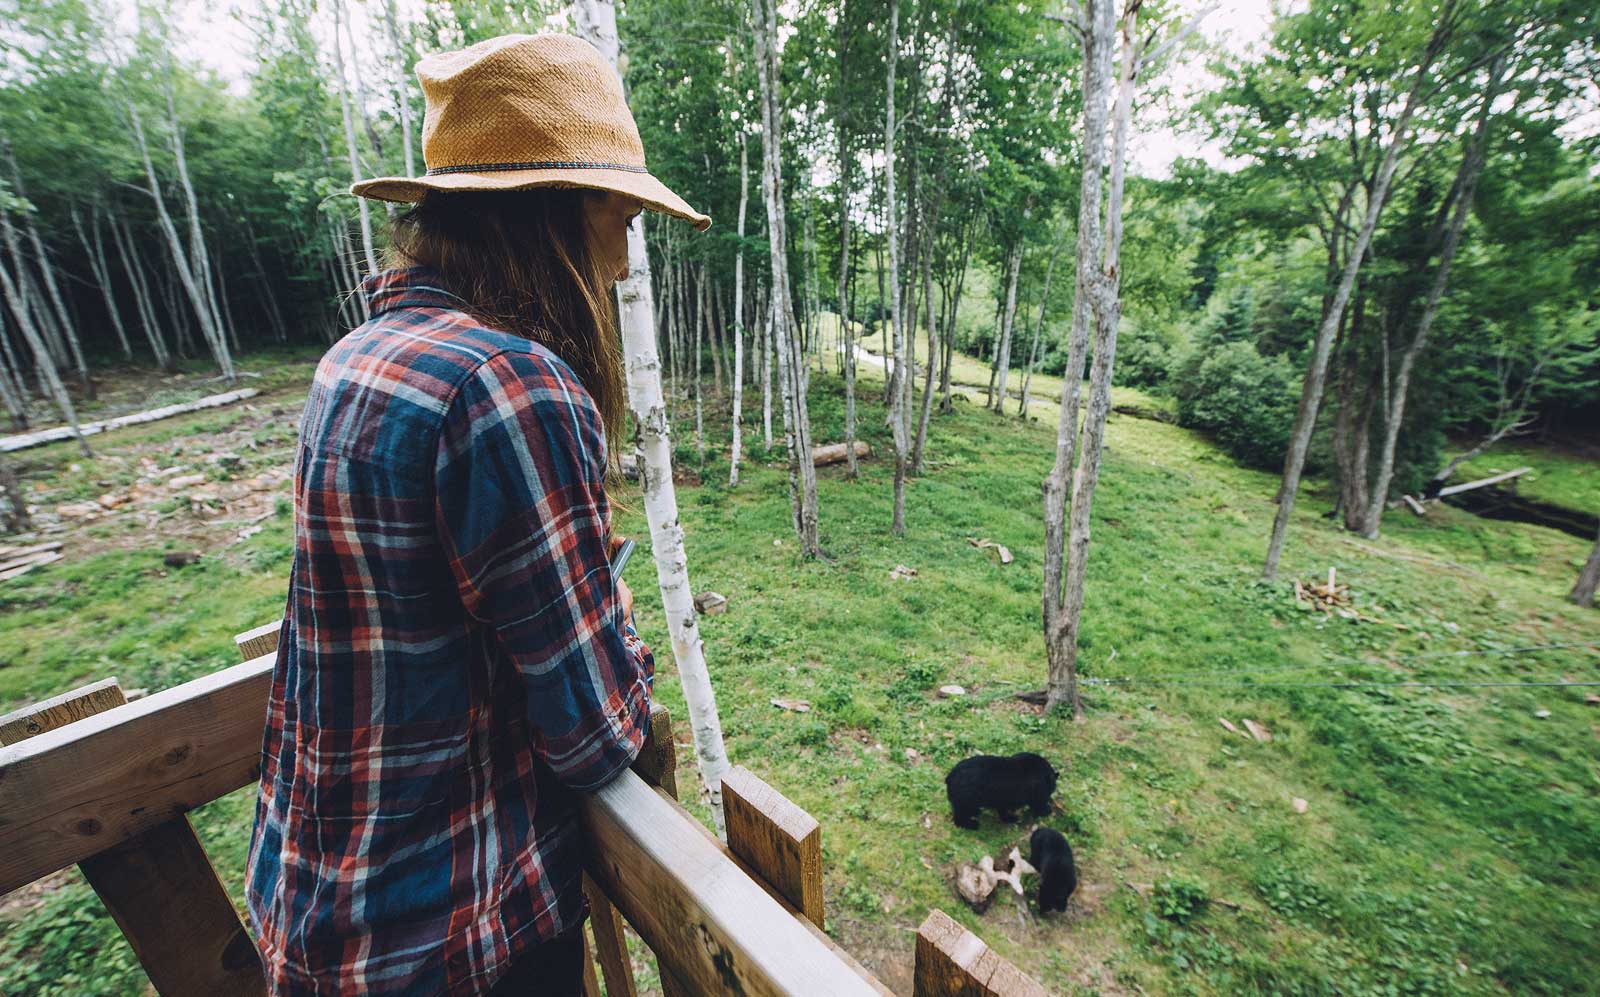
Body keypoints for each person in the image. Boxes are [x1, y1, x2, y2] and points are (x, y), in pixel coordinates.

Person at [245, 33, 710, 996]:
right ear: (552, 217)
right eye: (620, 217)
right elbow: (597, 731)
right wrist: (615, 619)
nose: (625, 260)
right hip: (453, 941)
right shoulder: (509, 386)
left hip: (328, 923)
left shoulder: (356, 358)